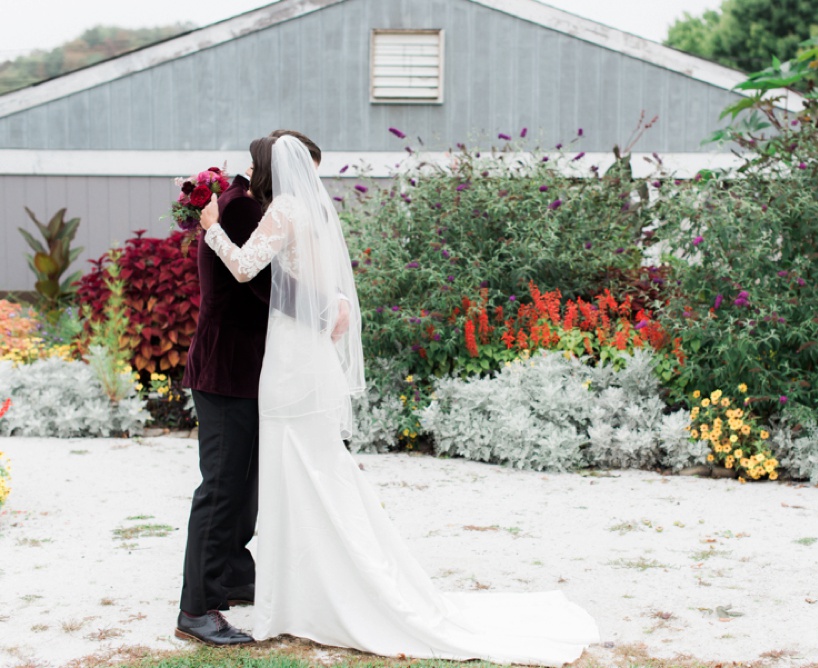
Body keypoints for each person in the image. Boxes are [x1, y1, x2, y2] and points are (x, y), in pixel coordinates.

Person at [198, 134, 600, 665]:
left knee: (297, 471)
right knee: (316, 470)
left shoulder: (284, 209)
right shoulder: (313, 212)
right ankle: (310, 584)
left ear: (268, 168)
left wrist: (212, 232)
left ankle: (313, 588)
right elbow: (317, 288)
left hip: (290, 364)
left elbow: (248, 268)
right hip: (306, 356)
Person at [176, 131, 322, 646]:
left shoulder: (241, 203)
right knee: (220, 488)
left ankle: (233, 575)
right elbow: (262, 284)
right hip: (226, 370)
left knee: (243, 486)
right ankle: (197, 608)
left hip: (244, 370)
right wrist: (325, 309)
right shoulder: (239, 209)